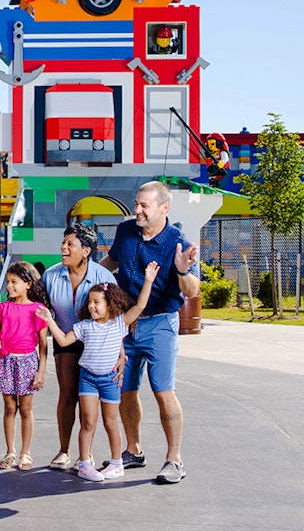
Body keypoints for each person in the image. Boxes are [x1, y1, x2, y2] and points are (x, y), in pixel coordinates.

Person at [99, 180, 201, 485]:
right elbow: (112, 261)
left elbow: (193, 291)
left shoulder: (177, 242)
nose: (138, 209)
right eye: (137, 203)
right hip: (125, 322)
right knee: (125, 390)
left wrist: (182, 270)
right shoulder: (126, 231)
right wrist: (88, 276)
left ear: (164, 208)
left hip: (160, 324)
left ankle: (174, 460)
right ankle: (133, 450)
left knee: (162, 391)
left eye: (145, 205)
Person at [36, 264, 157, 482]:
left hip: (109, 381)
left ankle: (116, 463)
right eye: (89, 302)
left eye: (96, 302)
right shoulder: (84, 326)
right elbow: (63, 340)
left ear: (110, 304)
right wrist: (49, 320)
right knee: (88, 423)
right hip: (88, 379)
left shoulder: (119, 324)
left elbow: (139, 306)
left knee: (110, 422)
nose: (91, 306)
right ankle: (84, 464)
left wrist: (148, 280)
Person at [41, 223, 118, 471]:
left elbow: (116, 319)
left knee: (90, 402)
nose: (63, 248)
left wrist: (121, 354)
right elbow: (43, 314)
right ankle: (64, 450)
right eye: (63, 243)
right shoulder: (51, 276)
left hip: (98, 344)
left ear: (86, 250)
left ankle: (87, 454)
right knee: (67, 394)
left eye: (70, 244)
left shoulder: (104, 278)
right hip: (65, 340)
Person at [0, 262, 49, 471]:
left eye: (14, 282)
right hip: (6, 361)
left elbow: (44, 345)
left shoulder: (39, 310)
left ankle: (25, 453)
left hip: (28, 362)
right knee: (10, 408)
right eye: (8, 282)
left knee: (26, 409)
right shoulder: (3, 307)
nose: (9, 286)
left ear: (28, 284)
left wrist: (41, 371)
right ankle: (10, 451)